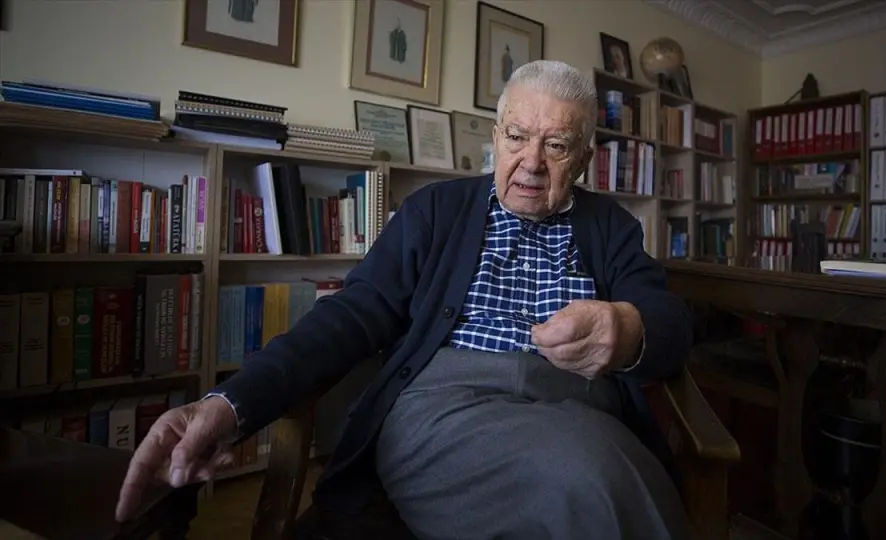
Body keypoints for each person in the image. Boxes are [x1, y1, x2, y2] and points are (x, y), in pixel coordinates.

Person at [115, 60, 693, 540]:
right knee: (596, 478)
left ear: (585, 158)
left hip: (580, 409)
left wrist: (628, 329)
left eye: (557, 145)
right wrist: (230, 404)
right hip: (446, 410)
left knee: (603, 470)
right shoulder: (436, 211)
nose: (532, 162)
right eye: (517, 137)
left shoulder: (610, 227)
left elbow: (669, 322)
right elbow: (350, 314)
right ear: (496, 138)